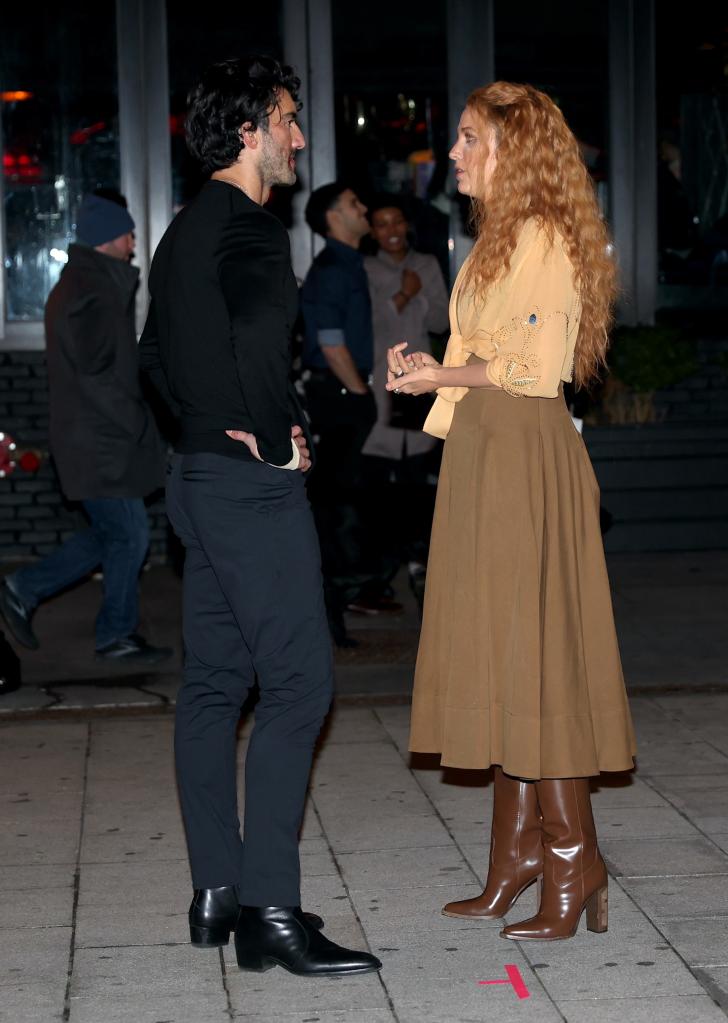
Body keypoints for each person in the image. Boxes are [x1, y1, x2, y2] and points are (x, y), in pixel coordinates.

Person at [138, 56, 380, 978]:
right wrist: (278, 438)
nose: (298, 138)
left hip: (197, 479)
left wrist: (209, 428)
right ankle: (271, 913)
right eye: (286, 119)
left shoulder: (181, 232)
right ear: (246, 130)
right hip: (247, 488)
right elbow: (251, 346)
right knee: (298, 687)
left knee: (211, 687)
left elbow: (154, 357)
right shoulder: (249, 230)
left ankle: (217, 891)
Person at [386, 82, 636, 941]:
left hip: (524, 453)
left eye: (465, 139)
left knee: (535, 657)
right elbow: (486, 351)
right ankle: (515, 857)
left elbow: (535, 369)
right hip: (485, 453)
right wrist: (430, 366)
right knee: (501, 654)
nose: (451, 153)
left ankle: (573, 862)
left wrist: (436, 376)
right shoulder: (494, 237)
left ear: (511, 151)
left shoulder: (544, 238)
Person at [0, 193, 170, 664]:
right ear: (110, 238)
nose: (135, 243)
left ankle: (27, 591)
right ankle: (107, 629)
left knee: (116, 535)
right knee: (129, 536)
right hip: (102, 441)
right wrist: (136, 422)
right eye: (130, 233)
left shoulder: (88, 283)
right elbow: (98, 374)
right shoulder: (92, 288)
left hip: (97, 438)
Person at [301, 183, 398, 641]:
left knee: (353, 505)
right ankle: (330, 614)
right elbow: (330, 343)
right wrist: (360, 396)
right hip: (340, 399)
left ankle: (349, 597)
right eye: (355, 203)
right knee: (339, 509)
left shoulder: (351, 265)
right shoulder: (331, 271)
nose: (364, 207)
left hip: (347, 394)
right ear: (333, 218)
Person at [362, 198, 449, 594]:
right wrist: (403, 295)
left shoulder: (427, 264)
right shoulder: (366, 267)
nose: (391, 229)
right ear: (372, 230)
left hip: (420, 379)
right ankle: (380, 565)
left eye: (396, 220)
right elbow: (370, 324)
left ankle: (420, 558)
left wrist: (419, 293)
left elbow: (442, 321)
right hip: (381, 380)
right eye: (381, 223)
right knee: (379, 476)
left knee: (417, 470)